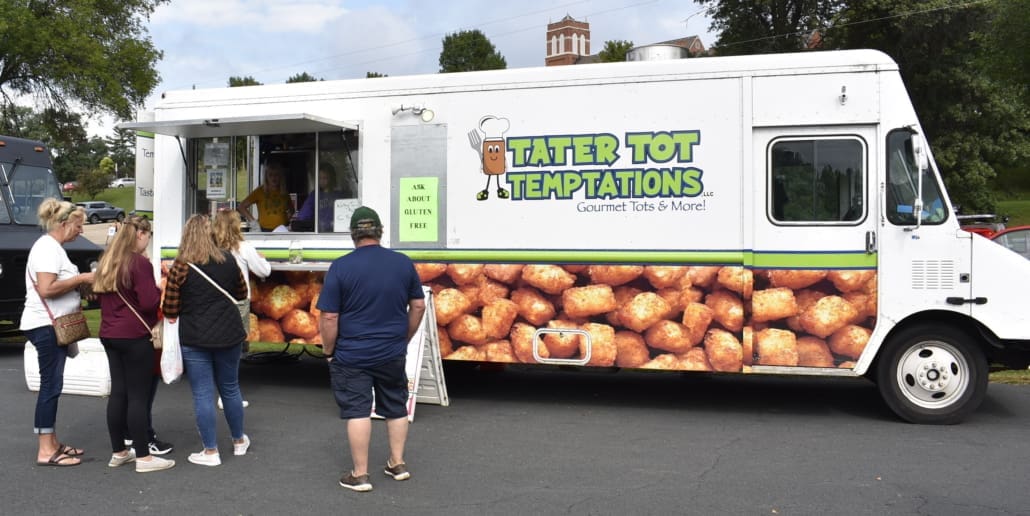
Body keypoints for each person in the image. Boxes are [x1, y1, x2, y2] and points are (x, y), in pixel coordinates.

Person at [317, 206, 426, 492]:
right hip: (391, 350)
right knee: (396, 405)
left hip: (352, 353)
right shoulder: (402, 263)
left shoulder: (340, 267)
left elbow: (329, 317)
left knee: (357, 410)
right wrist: (404, 338)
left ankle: (360, 474)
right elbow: (418, 306)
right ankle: (397, 464)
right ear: (380, 232)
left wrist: (328, 350)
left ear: (353, 235)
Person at [162, 214, 250, 467]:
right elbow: (242, 293)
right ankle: (238, 441)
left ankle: (211, 451)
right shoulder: (228, 259)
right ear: (211, 234)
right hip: (229, 333)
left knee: (202, 393)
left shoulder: (181, 265)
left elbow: (170, 309)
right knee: (230, 388)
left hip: (195, 337)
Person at [93, 215, 175, 473]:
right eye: (148, 236)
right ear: (140, 234)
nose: (148, 240)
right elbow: (149, 303)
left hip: (109, 332)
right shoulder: (138, 263)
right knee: (138, 396)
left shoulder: (108, 260)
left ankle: (119, 451)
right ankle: (144, 457)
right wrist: (159, 289)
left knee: (118, 393)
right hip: (134, 334)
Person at [22, 198, 94, 467]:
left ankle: (52, 443)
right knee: (50, 385)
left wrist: (80, 285)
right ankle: (45, 450)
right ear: (64, 224)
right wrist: (82, 278)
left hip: (48, 325)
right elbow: (47, 289)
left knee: (53, 384)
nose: (81, 231)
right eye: (78, 225)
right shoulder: (47, 249)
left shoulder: (53, 248)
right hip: (45, 325)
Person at [212, 208, 272, 407]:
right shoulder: (244, 248)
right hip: (238, 303)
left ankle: (221, 393)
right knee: (233, 351)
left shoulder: (210, 248)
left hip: (213, 302)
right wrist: (262, 258)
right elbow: (264, 271)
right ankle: (228, 396)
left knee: (217, 348)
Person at [238, 161, 292, 231]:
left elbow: (291, 210)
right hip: (265, 230)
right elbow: (241, 207)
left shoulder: (284, 191)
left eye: (276, 175)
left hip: (283, 230)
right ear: (266, 177)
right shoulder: (260, 191)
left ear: (280, 177)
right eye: (270, 175)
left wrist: (286, 220)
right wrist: (254, 223)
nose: (273, 178)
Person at [294, 163, 345, 232]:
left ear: (332, 178)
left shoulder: (339, 195)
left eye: (325, 178)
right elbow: (303, 215)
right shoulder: (314, 195)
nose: (322, 181)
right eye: (320, 178)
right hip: (319, 231)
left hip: (338, 230)